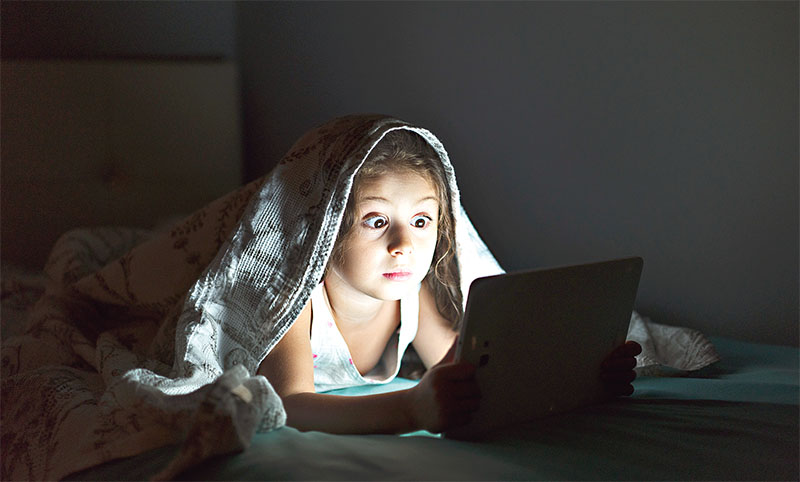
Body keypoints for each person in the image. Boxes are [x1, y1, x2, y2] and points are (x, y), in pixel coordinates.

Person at [258, 129, 642, 435]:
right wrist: (410, 409)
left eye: (421, 221)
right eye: (376, 221)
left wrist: (582, 377)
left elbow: (464, 368)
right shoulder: (296, 297)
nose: (403, 245)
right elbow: (291, 403)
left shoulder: (410, 292)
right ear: (325, 226)